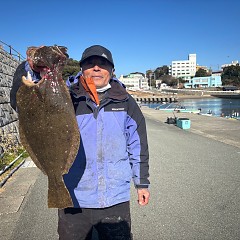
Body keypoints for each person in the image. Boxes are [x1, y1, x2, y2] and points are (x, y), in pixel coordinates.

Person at [10, 45, 150, 240]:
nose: (96, 68)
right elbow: (22, 102)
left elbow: (138, 145)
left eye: (103, 64)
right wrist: (32, 67)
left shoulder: (125, 101)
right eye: (90, 64)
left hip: (115, 196)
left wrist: (141, 183)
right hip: (74, 195)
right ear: (81, 69)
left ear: (112, 70)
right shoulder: (66, 95)